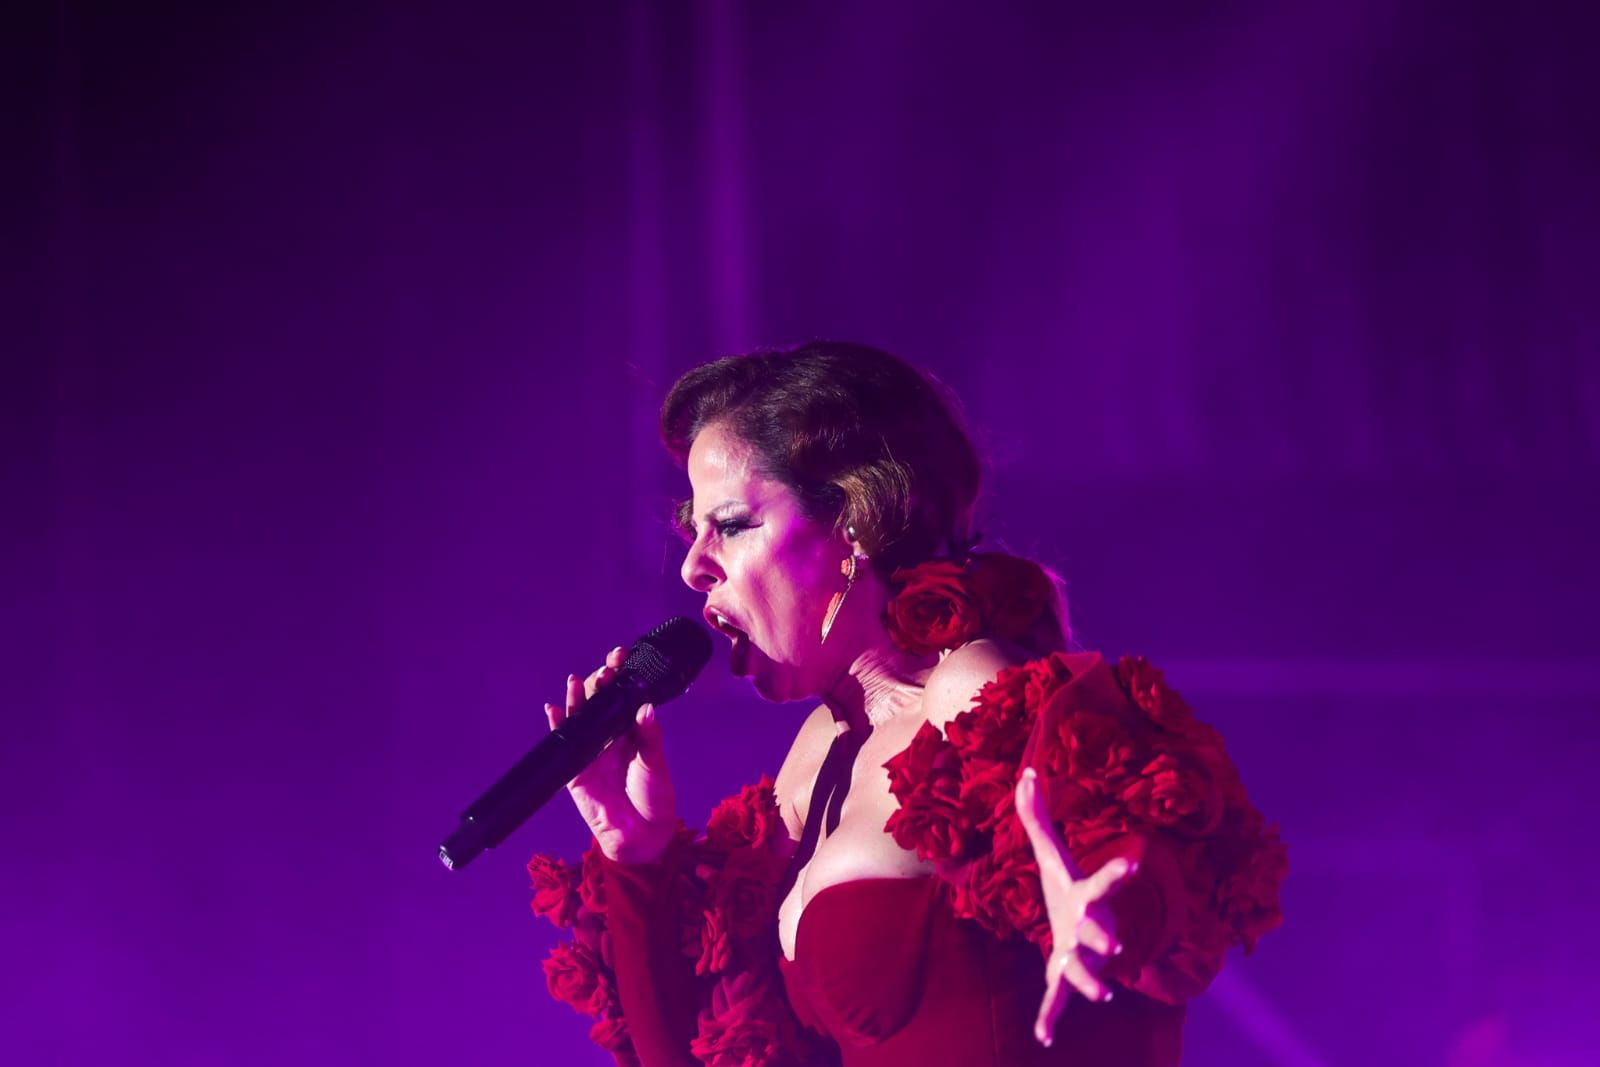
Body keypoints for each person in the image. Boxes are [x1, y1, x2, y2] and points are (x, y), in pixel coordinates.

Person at [527, 342, 1286, 1067]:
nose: (694, 566)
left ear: (854, 521)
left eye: (729, 525)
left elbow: (1131, 861)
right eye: (693, 532)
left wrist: (1115, 907)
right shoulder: (819, 756)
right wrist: (635, 852)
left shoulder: (968, 692)